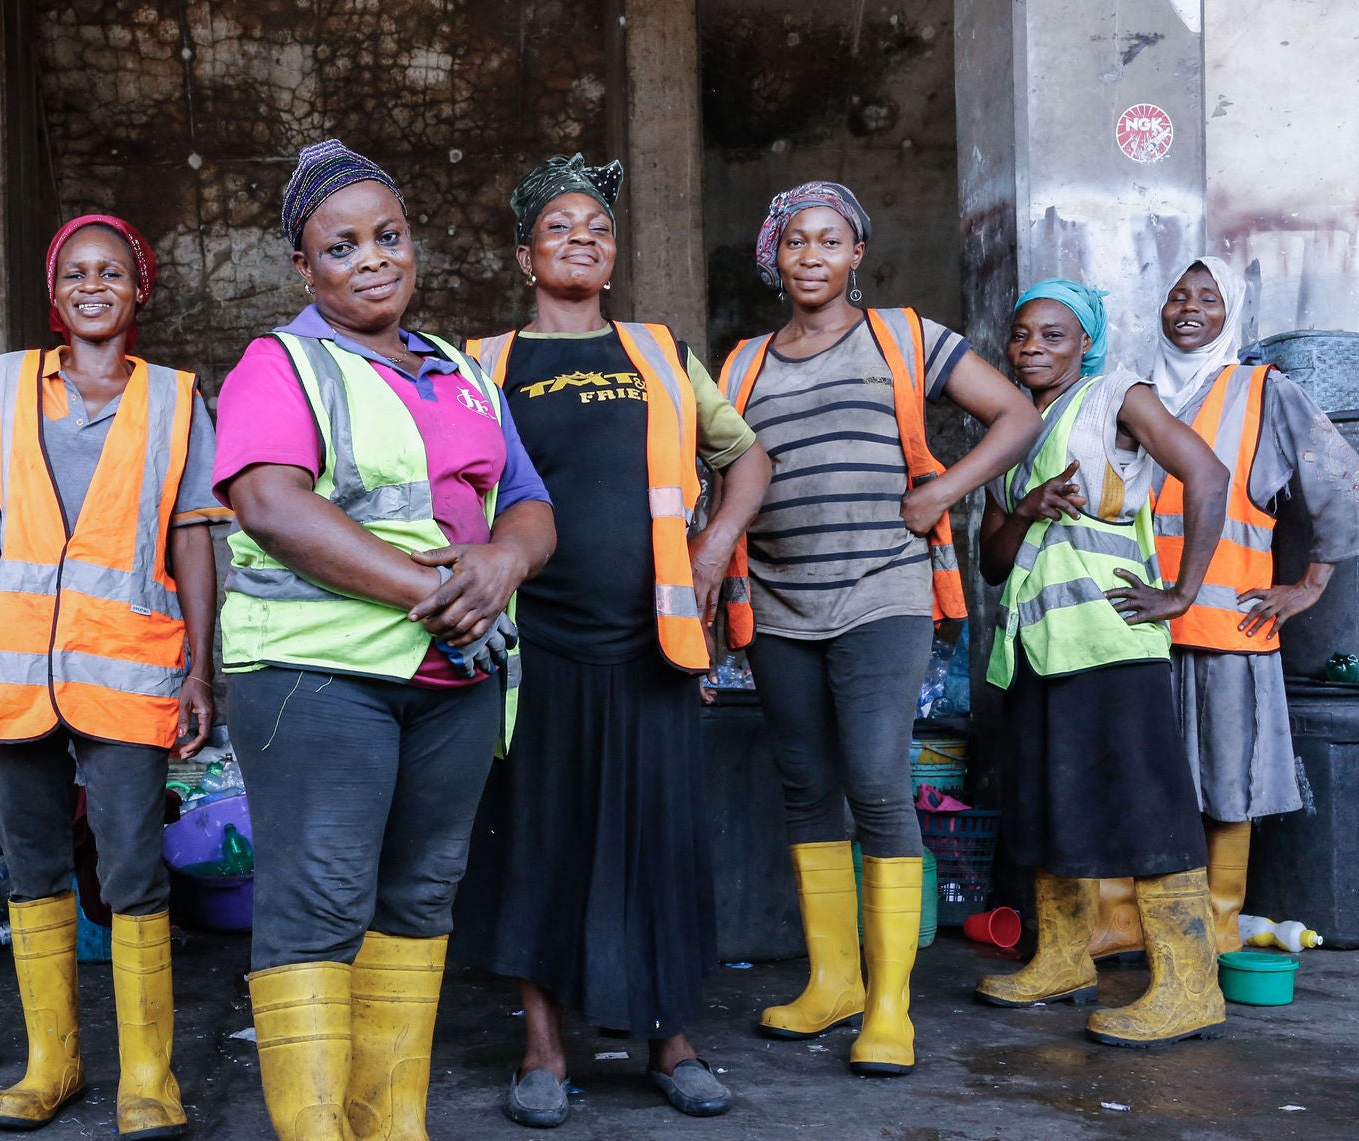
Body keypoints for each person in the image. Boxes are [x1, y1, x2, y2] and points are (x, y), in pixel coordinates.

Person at [217, 140, 556, 1141]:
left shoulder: (459, 371)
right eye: (341, 245)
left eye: (387, 236)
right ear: (303, 268)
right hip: (316, 677)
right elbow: (270, 505)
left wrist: (501, 565)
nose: (371, 258)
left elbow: (529, 506)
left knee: (419, 894)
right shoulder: (278, 364)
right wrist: (432, 589)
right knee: (319, 903)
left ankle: (389, 1123)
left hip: (454, 678)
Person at [0, 214, 228, 1139]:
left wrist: (203, 665)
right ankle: (55, 1063)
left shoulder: (175, 398)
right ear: (56, 290)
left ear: (137, 289)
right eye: (76, 271)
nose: (93, 284)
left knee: (131, 869)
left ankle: (148, 1077)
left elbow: (195, 532)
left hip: (129, 668)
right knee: (34, 868)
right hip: (13, 670)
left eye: (111, 271)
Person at [452, 155, 772, 1125]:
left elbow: (744, 454)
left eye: (595, 226)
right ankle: (542, 1053)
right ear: (522, 255)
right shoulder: (483, 363)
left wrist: (715, 540)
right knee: (540, 846)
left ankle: (669, 1043)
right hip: (532, 651)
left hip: (653, 646)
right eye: (558, 227)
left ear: (613, 250)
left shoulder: (657, 353)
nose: (580, 238)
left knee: (661, 845)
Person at [717, 182, 1039, 1076]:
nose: (812, 255)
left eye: (830, 240)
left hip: (882, 592)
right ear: (775, 259)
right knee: (804, 783)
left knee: (873, 777)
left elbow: (1018, 414)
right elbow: (721, 474)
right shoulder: (742, 364)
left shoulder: (903, 336)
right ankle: (834, 980)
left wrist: (943, 489)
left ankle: (890, 1001)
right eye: (795, 243)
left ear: (857, 253)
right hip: (778, 600)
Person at [972, 279, 1234, 1048]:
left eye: (1053, 335)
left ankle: (1190, 985)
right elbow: (992, 564)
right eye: (1021, 335)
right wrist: (1025, 507)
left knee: (1147, 808)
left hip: (1114, 639)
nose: (1032, 349)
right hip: (1039, 652)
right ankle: (1061, 958)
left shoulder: (1117, 394)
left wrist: (1183, 591)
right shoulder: (1009, 431)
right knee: (1052, 806)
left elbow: (1208, 473)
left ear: (1086, 342)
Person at [1081, 258, 1359, 961]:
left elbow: (1339, 482)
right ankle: (1125, 922)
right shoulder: (1130, 393)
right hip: (1133, 625)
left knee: (1226, 782)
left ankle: (1215, 924)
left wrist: (1310, 586)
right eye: (1178, 294)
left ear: (1231, 312)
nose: (1189, 307)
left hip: (1227, 626)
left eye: (1209, 297)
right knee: (1135, 776)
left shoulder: (1263, 391)